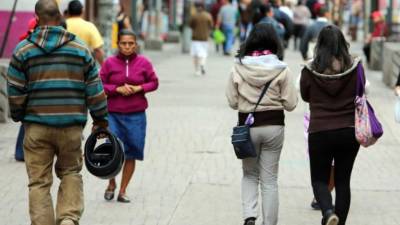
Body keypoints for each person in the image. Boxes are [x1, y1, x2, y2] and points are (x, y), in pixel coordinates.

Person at [7, 1, 108, 225]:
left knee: (39, 183)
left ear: (36, 17)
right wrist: (101, 120)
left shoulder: (23, 50)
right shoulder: (80, 49)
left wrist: (19, 115)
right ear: (59, 16)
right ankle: (68, 220)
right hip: (71, 128)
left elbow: (14, 91)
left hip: (36, 128)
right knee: (71, 172)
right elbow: (95, 89)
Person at [226, 23, 298, 225]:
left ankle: (249, 216)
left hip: (246, 128)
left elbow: (232, 101)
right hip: (274, 126)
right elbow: (291, 104)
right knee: (269, 180)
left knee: (249, 174)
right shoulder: (282, 69)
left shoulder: (238, 67)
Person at [300, 25, 364, 225]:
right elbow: (361, 91)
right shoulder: (355, 66)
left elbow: (304, 95)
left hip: (319, 130)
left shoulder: (310, 69)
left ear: (319, 45)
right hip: (348, 131)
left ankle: (328, 212)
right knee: (343, 181)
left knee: (319, 180)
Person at [100, 29, 159, 203]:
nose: (127, 47)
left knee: (132, 152)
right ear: (118, 44)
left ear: (136, 45)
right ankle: (111, 184)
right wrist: (115, 89)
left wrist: (138, 88)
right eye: (124, 43)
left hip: (136, 115)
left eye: (131, 43)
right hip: (113, 114)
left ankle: (123, 190)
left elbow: (154, 82)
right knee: (111, 151)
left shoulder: (144, 63)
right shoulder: (109, 63)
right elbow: (99, 84)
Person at [190, 2, 213, 76]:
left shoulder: (194, 16)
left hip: (195, 38)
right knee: (203, 53)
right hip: (205, 38)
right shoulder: (208, 15)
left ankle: (197, 70)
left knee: (195, 55)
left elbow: (190, 25)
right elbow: (211, 25)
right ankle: (202, 64)